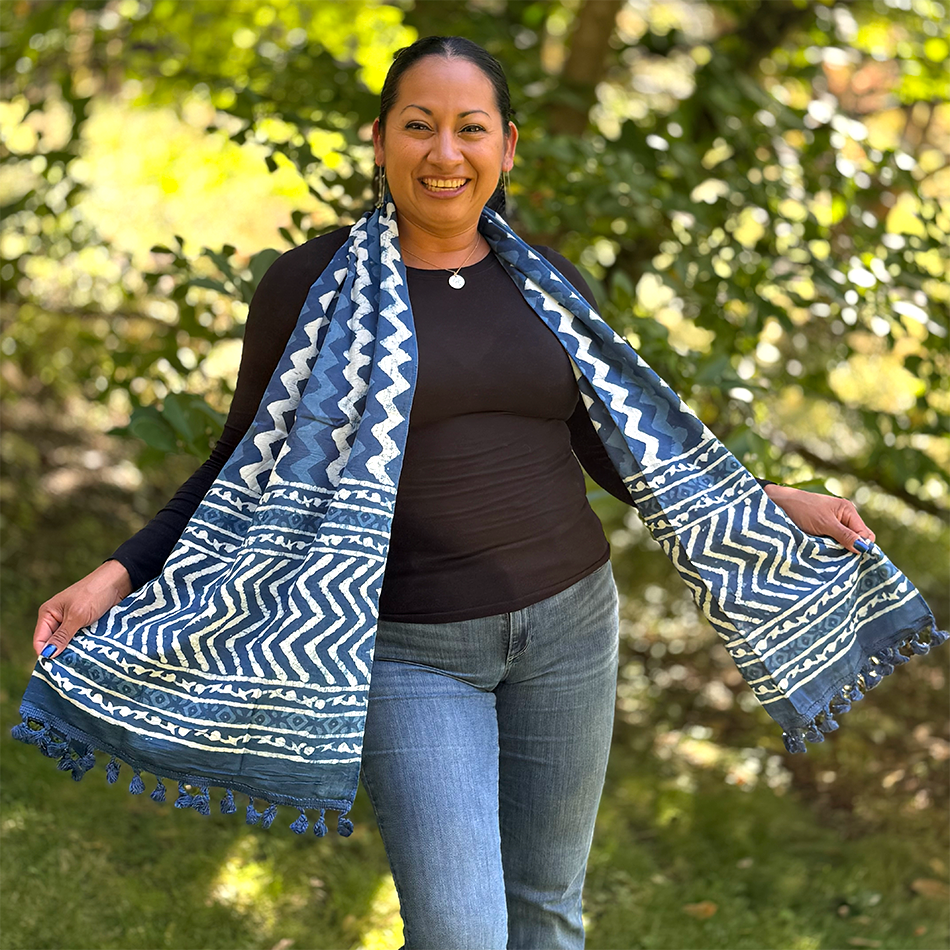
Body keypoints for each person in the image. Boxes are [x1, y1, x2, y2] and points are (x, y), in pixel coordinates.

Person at [32, 36, 877, 950]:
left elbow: (622, 448)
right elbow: (239, 465)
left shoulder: (547, 285)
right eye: (419, 127)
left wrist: (774, 499)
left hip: (571, 632)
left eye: (470, 129)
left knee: (547, 913)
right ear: (380, 139)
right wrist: (118, 574)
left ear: (507, 147)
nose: (445, 154)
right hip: (412, 653)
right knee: (462, 934)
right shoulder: (310, 288)